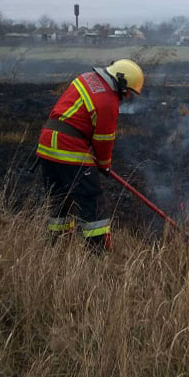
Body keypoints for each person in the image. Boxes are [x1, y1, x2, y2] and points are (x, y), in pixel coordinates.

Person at [36, 59, 144, 253]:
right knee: (91, 199)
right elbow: (103, 140)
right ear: (120, 82)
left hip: (46, 146)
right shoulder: (107, 102)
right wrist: (104, 165)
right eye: (127, 91)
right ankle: (97, 250)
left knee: (59, 199)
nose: (127, 96)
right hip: (69, 150)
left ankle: (56, 245)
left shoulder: (86, 78)